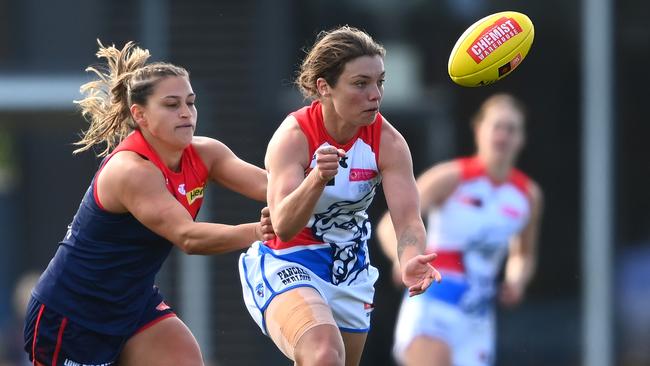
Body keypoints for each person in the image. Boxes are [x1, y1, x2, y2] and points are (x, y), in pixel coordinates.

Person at [23, 41, 274, 366]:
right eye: (171, 105)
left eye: (190, 102)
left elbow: (274, 187)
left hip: (132, 304)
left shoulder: (206, 152)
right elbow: (188, 237)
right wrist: (258, 231)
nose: (186, 113)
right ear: (139, 114)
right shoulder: (132, 170)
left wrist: (322, 177)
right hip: (72, 315)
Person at [238, 26, 442, 366]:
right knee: (323, 353)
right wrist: (317, 177)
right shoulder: (293, 137)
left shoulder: (389, 143)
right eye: (360, 84)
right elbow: (284, 226)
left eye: (380, 82)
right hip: (288, 261)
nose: (375, 94)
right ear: (324, 87)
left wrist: (409, 259)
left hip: (349, 271)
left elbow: (407, 220)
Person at [377, 93, 543, 366]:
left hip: (478, 316)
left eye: (511, 129)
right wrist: (402, 259)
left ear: (522, 138)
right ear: (479, 131)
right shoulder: (451, 177)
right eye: (496, 127)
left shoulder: (527, 195)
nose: (503, 136)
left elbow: (523, 254)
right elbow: (390, 223)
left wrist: (516, 280)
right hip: (434, 301)